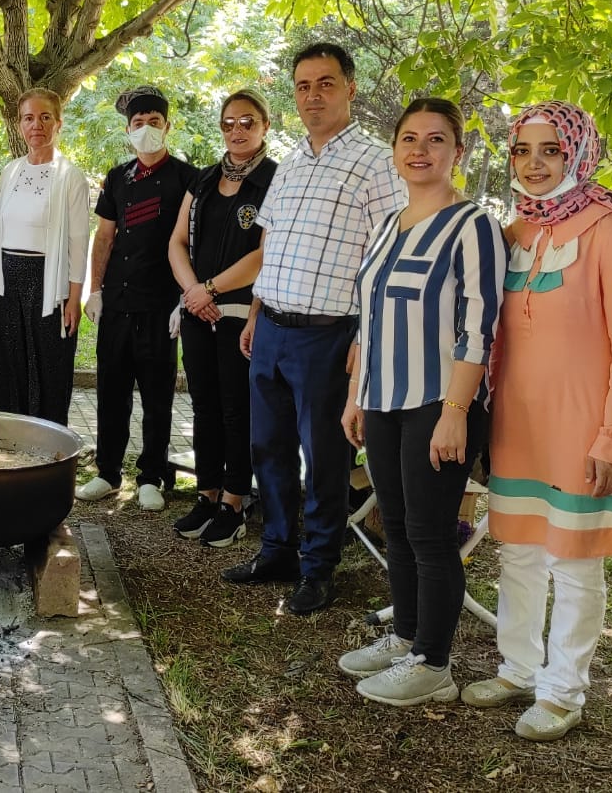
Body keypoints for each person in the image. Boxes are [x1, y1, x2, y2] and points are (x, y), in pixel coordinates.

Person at [463, 100, 612, 742]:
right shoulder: (514, 230)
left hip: (583, 426)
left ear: (577, 152)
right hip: (518, 421)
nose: (535, 164)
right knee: (516, 550)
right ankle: (518, 668)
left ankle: (563, 690)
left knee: (573, 561)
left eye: (550, 150)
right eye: (522, 151)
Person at [222, 43, 404, 617]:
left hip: (330, 335)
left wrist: (363, 339)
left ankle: (318, 565)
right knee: (268, 448)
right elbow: (269, 242)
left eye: (326, 84)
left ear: (350, 88)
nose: (313, 96)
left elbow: (389, 258)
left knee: (322, 456)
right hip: (272, 327)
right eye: (303, 85)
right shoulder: (292, 159)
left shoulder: (379, 162)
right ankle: (276, 547)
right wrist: (254, 313)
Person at [335, 99, 505, 707]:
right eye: (409, 138)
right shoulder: (390, 222)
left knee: (431, 533)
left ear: (457, 152)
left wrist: (456, 413)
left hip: (439, 403)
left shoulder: (473, 225)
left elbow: (479, 325)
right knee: (398, 529)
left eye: (436, 140)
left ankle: (434, 663)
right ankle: (405, 635)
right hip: (382, 399)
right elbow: (370, 320)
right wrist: (358, 396)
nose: (420, 150)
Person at [75, 86, 196, 512]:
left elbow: (191, 243)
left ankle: (152, 475)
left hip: (161, 305)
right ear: (128, 130)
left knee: (157, 394)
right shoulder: (116, 177)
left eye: (155, 122)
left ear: (167, 126)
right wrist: (95, 289)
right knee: (111, 391)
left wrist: (186, 297)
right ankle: (108, 472)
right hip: (118, 304)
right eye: (138, 123)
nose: (146, 130)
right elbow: (104, 236)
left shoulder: (187, 179)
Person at [167, 90, 277, 546]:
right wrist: (194, 292)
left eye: (247, 123)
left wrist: (209, 289)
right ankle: (208, 493)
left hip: (240, 312)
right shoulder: (205, 179)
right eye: (229, 123)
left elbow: (263, 254)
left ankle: (235, 500)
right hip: (197, 309)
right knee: (204, 407)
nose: (237, 131)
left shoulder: (274, 180)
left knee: (237, 411)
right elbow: (176, 242)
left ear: (265, 127)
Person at [0, 88, 89, 425]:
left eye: (45, 117)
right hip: (8, 280)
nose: (37, 125)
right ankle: (10, 441)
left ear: (59, 123)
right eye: (29, 118)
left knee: (49, 366)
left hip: (48, 282)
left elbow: (77, 241)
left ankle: (48, 446)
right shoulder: (10, 171)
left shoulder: (69, 176)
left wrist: (74, 298)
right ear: (19, 125)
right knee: (9, 362)